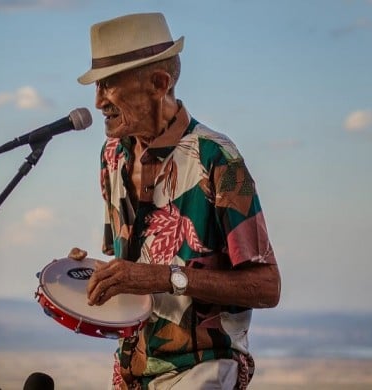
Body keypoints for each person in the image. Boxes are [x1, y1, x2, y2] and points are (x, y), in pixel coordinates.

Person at [68, 12, 281, 390]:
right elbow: (134, 270)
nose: (98, 101)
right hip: (132, 370)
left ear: (159, 83)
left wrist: (164, 277)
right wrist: (93, 274)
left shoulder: (220, 160)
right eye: (97, 86)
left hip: (203, 370)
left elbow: (267, 286)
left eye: (109, 85)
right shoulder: (112, 155)